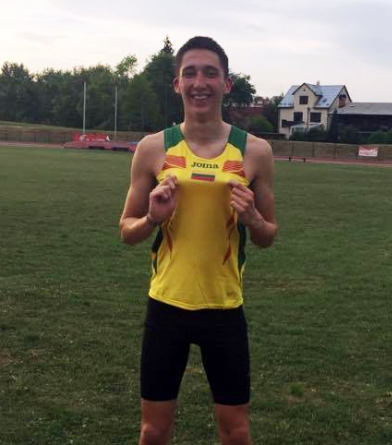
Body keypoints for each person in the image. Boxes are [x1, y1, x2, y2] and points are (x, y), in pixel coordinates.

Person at [119, 36, 278, 445]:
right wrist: (152, 218)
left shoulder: (254, 151)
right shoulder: (153, 148)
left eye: (210, 73)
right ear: (177, 84)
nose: (199, 82)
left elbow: (268, 235)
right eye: (189, 73)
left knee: (236, 431)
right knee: (153, 430)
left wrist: (253, 218)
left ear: (227, 83)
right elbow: (126, 231)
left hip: (224, 309)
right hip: (166, 307)